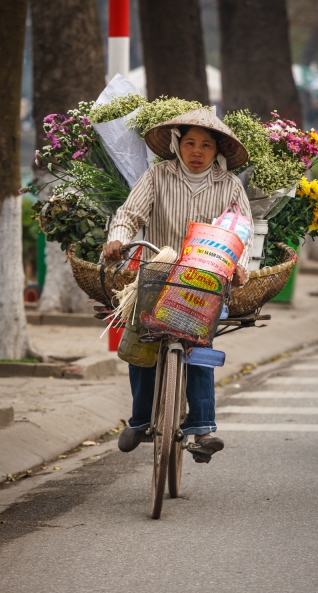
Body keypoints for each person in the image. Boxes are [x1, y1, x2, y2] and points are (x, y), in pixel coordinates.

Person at [103, 108, 253, 463]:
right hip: (157, 276)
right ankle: (140, 421)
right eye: (189, 143)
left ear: (218, 150)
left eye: (205, 145)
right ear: (177, 144)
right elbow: (128, 215)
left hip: (206, 283)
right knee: (139, 341)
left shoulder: (229, 185)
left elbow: (241, 232)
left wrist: (240, 267)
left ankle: (201, 429)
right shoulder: (157, 177)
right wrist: (117, 239)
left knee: (199, 348)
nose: (196, 151)